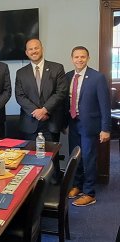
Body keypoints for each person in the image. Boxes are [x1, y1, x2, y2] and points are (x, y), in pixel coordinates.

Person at [66, 46, 111, 207]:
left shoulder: (97, 77)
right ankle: (77, 186)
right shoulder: (68, 76)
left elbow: (105, 105)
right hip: (73, 123)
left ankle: (90, 193)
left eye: (83, 57)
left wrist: (105, 128)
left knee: (88, 158)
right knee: (75, 157)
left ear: (88, 58)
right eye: (76, 57)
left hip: (90, 126)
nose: (79, 60)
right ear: (72, 58)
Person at [15, 38, 68, 142]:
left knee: (52, 157)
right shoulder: (21, 73)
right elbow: (20, 96)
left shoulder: (57, 68)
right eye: (30, 49)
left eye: (36, 48)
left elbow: (60, 92)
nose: (34, 51)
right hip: (29, 124)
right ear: (26, 52)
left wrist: (44, 110)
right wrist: (36, 112)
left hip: (51, 122)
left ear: (42, 49)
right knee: (29, 157)